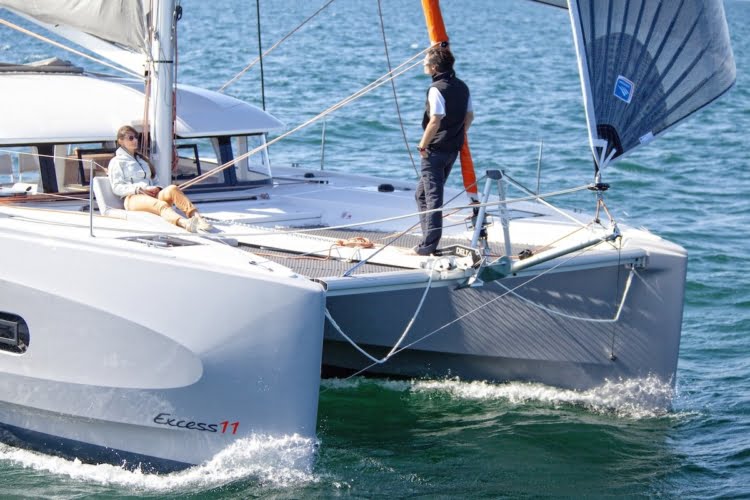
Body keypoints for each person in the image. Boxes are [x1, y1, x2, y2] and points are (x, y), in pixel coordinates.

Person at [413, 45, 473, 256]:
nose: (423, 64)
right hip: (451, 149)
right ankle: (427, 240)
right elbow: (469, 117)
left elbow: (435, 119)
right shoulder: (463, 87)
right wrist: (456, 135)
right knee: (421, 194)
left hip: (434, 151)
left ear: (435, 67)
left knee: (432, 197)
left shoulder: (436, 89)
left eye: (426, 63)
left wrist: (422, 144)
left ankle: (428, 245)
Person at [108, 125, 212, 233]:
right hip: (132, 199)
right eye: (130, 138)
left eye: (136, 137)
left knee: (172, 188)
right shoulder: (116, 162)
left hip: (151, 194)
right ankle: (184, 223)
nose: (135, 140)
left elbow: (155, 179)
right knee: (161, 205)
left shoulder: (142, 160)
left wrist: (157, 188)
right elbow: (117, 187)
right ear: (120, 141)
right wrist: (139, 189)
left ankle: (198, 218)